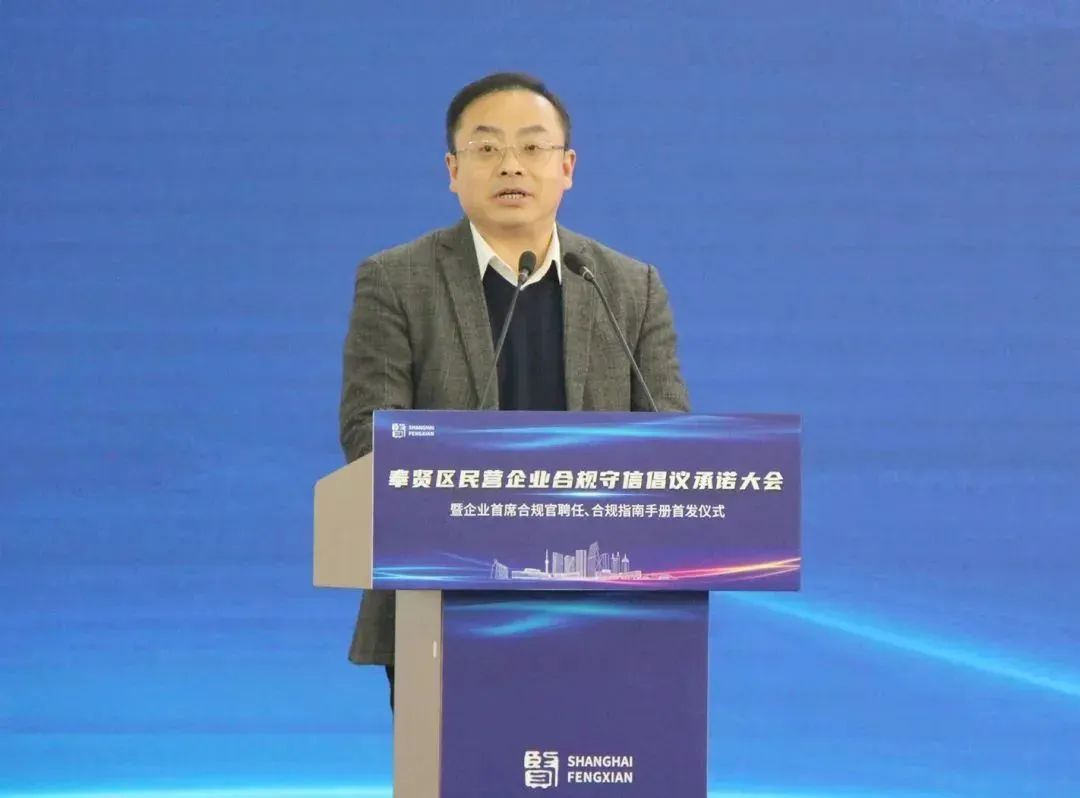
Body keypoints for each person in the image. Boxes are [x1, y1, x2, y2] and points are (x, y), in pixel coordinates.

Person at [338, 72, 690, 707]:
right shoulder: (397, 281)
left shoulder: (627, 286)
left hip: (600, 600)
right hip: (441, 599)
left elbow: (669, 443)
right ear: (453, 170)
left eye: (532, 147)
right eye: (487, 147)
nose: (511, 166)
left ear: (567, 167)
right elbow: (369, 435)